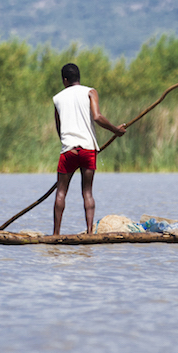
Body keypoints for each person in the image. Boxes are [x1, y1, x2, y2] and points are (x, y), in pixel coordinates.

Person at [51, 62, 126, 235]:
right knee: (87, 192)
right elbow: (97, 117)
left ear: (64, 80)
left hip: (69, 151)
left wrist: (67, 144)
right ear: (79, 77)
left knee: (61, 193)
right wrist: (116, 130)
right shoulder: (90, 92)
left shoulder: (57, 98)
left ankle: (56, 235)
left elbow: (59, 127)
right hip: (88, 150)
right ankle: (89, 233)